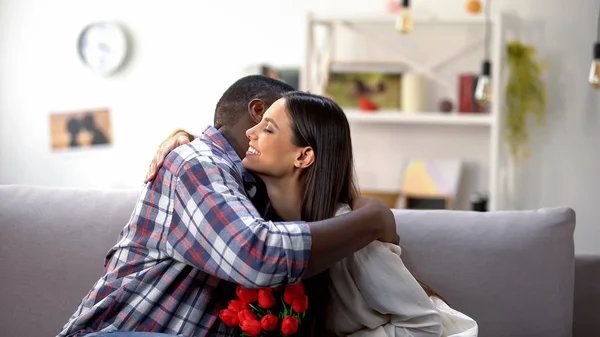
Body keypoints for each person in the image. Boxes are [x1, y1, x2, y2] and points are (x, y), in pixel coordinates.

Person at [57, 75, 398, 337]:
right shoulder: (196, 161)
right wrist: (372, 220)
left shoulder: (252, 189)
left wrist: (355, 202)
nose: (255, 134)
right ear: (258, 112)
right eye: (268, 123)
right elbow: (256, 256)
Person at [153, 91, 478, 337]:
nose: (251, 133)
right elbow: (213, 176)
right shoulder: (259, 220)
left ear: (304, 155)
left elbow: (424, 325)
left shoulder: (348, 234)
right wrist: (186, 140)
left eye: (268, 129)